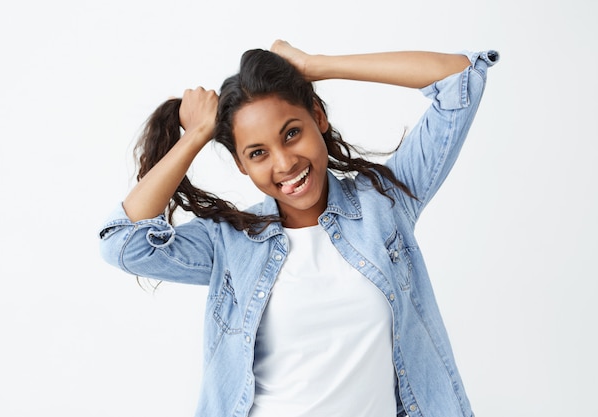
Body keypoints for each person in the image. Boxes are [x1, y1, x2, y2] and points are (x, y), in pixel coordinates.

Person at [99, 40, 498, 417]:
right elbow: (123, 243)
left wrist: (316, 66)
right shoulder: (232, 242)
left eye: (292, 133)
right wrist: (197, 135)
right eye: (257, 153)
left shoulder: (384, 206)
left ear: (318, 118)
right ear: (242, 165)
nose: (284, 163)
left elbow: (460, 80)